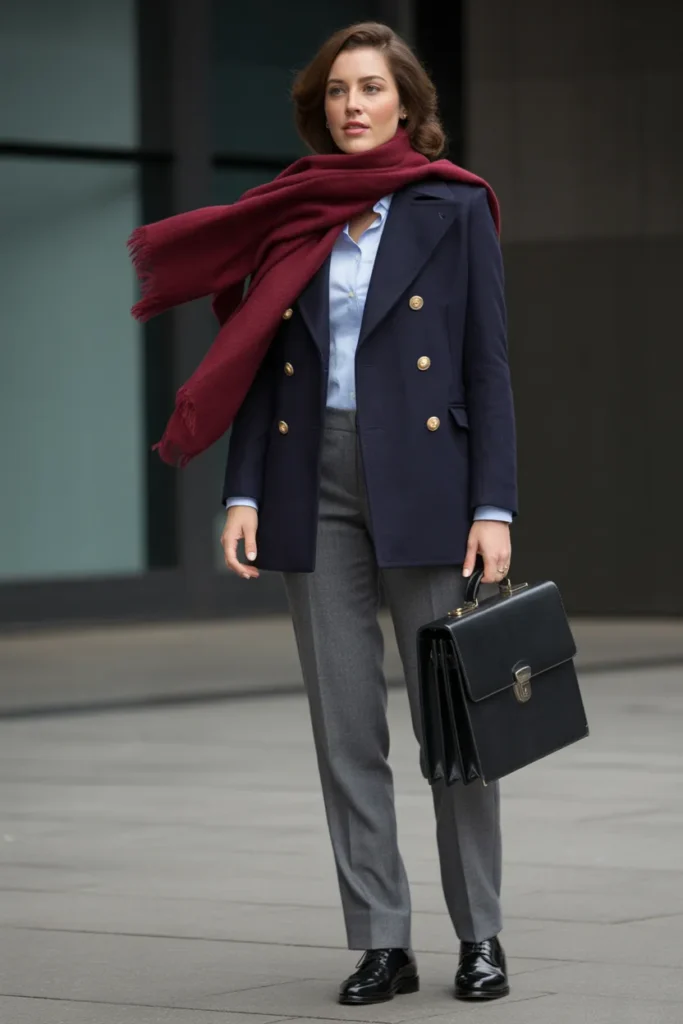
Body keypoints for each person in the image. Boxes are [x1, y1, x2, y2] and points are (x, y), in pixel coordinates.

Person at [128, 20, 516, 1009]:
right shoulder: (292, 212)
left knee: (451, 731)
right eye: (337, 89)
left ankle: (479, 934)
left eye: (370, 88)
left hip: (427, 481)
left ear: (405, 104)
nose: (352, 104)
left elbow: (485, 365)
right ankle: (382, 939)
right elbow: (262, 364)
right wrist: (244, 490)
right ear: (321, 105)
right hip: (316, 481)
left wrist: (493, 504)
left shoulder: (451, 207)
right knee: (346, 731)